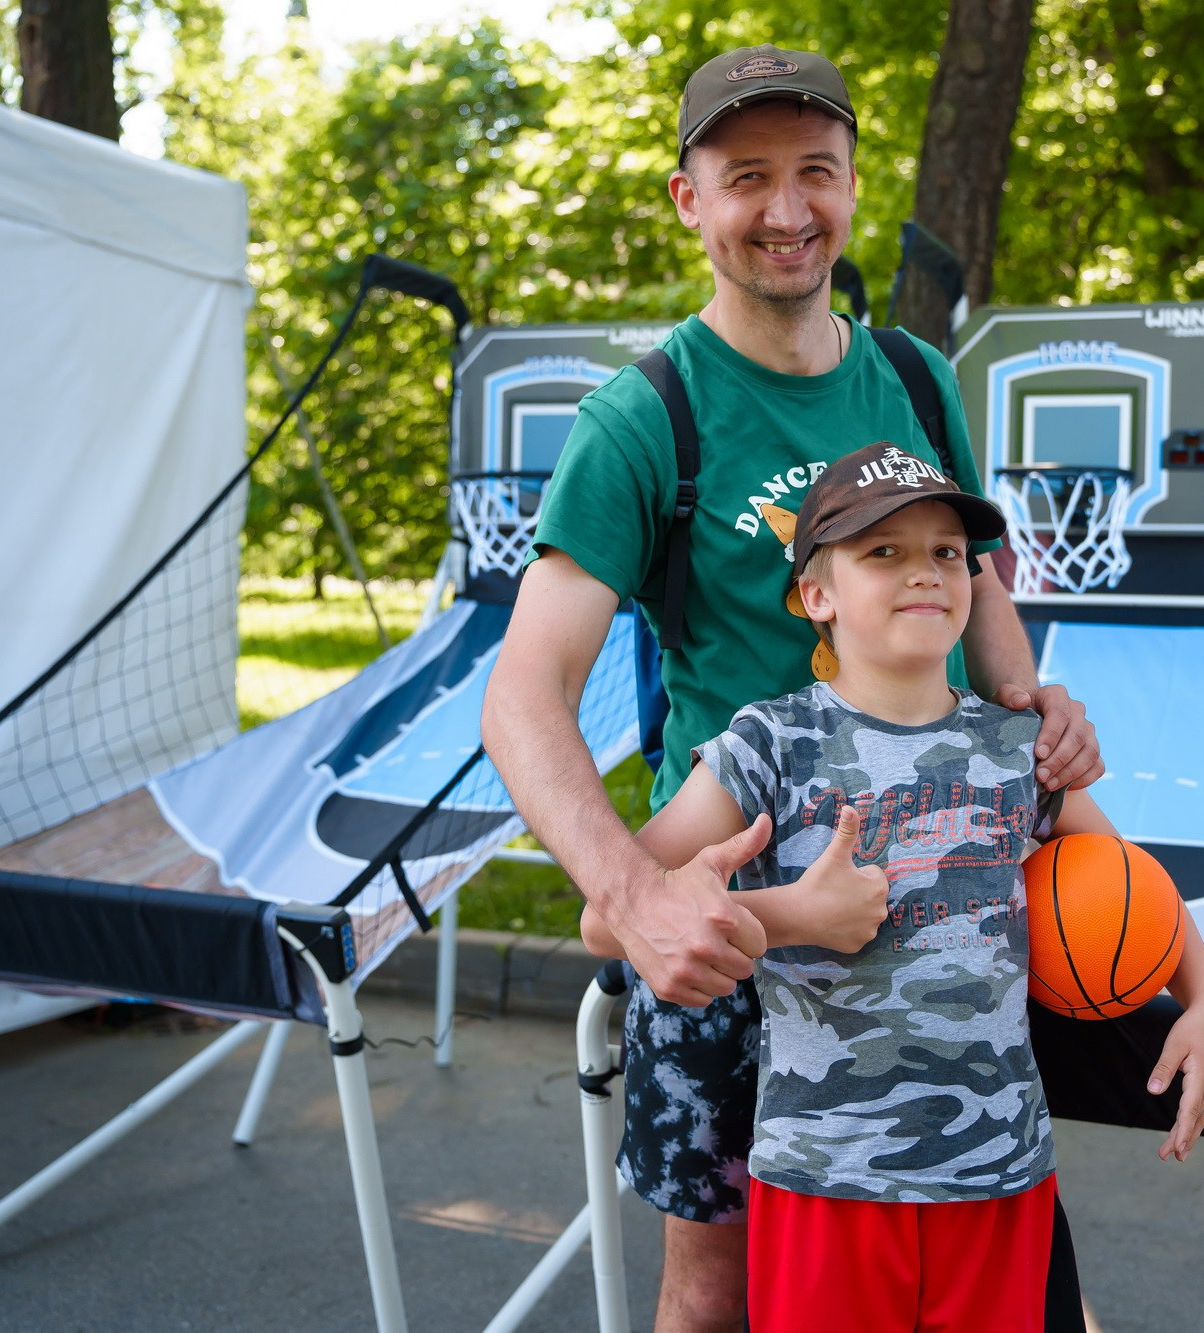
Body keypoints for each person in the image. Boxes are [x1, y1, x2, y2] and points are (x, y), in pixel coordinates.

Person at [480, 43, 1105, 1332]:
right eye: (745, 176)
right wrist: (637, 895)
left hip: (925, 918)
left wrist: (1034, 708)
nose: (785, 209)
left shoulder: (920, 381)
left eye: (813, 172)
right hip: (738, 923)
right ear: (687, 199)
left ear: (851, 185)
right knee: (714, 1288)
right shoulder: (642, 419)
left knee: (1003, 1265)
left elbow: (975, 581)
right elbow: (523, 691)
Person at [577, 445, 1204, 1331]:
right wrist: (787, 915)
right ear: (818, 594)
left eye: (947, 552)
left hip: (1000, 1176)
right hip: (825, 1181)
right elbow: (609, 920)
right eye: (883, 551)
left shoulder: (1019, 750)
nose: (924, 571)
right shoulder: (768, 747)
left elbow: (1129, 883)